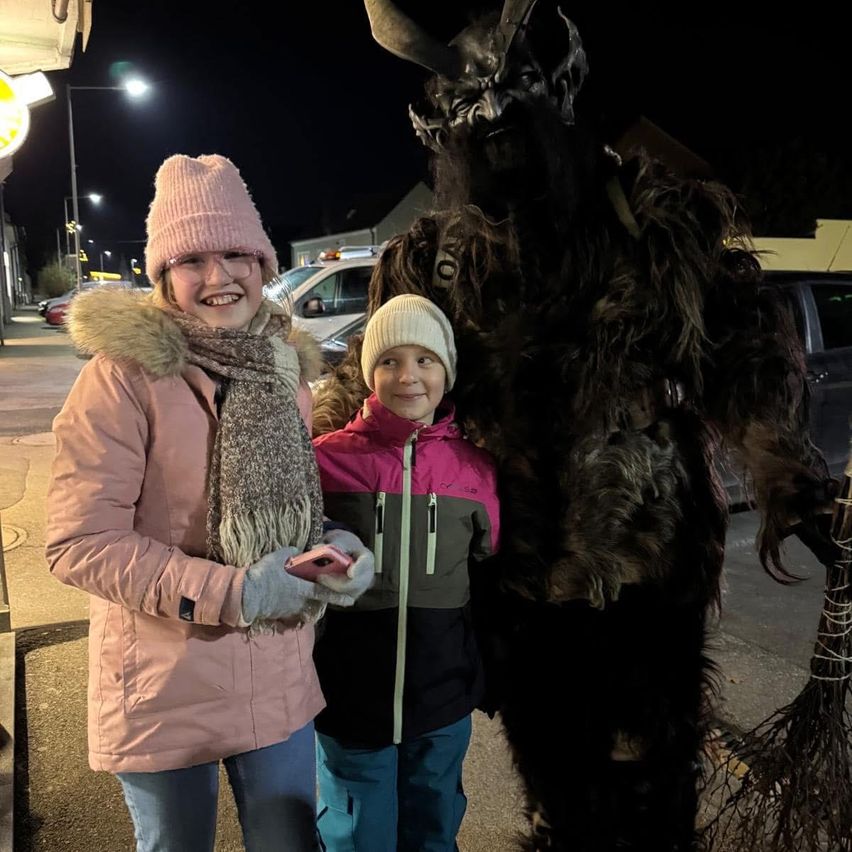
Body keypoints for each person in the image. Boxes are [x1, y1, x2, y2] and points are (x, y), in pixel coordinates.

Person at [45, 153, 374, 852]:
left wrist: (336, 548)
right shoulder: (122, 379)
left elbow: (293, 512)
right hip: (166, 689)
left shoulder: (284, 372)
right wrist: (236, 593)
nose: (219, 277)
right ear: (163, 275)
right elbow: (79, 543)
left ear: (263, 263)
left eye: (237, 254)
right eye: (193, 259)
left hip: (277, 675)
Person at [311, 294, 500, 851]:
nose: (408, 376)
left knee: (433, 830)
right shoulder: (324, 460)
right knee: (356, 836)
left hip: (441, 701)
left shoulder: (478, 471)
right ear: (370, 372)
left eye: (426, 360)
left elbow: (489, 574)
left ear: (448, 371)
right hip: (347, 696)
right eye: (390, 360)